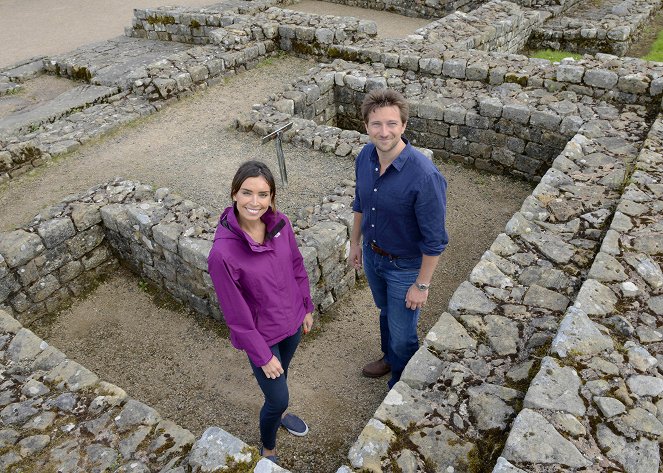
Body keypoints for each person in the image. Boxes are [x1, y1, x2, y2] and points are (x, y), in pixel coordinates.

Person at [207, 160, 314, 465]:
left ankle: (278, 414)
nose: (255, 202)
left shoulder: (281, 225)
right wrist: (263, 356)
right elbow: (236, 315)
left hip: (293, 324)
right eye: (247, 193)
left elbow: (296, 266)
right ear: (234, 194)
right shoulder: (222, 254)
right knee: (278, 397)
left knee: (282, 379)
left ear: (271, 197)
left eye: (263, 194)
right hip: (262, 338)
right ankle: (268, 447)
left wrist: (306, 306)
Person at [349, 88, 448, 389]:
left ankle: (400, 385)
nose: (384, 131)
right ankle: (390, 358)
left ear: (404, 126)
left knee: (403, 331)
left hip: (405, 266)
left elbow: (435, 240)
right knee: (386, 312)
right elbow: (361, 203)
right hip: (373, 255)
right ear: (366, 126)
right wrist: (355, 244)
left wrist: (422, 285)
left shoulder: (424, 176)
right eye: (376, 124)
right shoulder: (366, 156)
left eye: (392, 123)